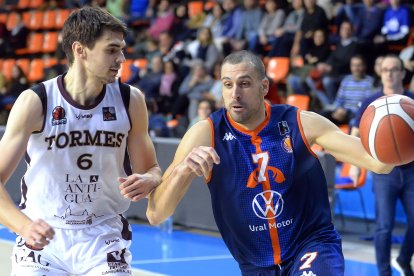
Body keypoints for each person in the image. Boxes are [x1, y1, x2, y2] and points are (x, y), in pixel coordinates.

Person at [146, 50, 393, 275]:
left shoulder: (300, 123)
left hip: (311, 246)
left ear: (264, 86)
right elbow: (156, 214)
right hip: (255, 264)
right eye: (227, 85)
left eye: (244, 83)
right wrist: (184, 170)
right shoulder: (205, 134)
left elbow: (379, 163)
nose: (235, 94)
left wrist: (400, 138)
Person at [0, 7, 161, 275]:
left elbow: (151, 169)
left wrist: (151, 179)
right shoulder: (36, 101)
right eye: (111, 50)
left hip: (103, 235)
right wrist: (23, 226)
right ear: (80, 50)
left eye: (121, 49)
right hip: (42, 233)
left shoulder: (130, 100)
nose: (121, 58)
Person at [350, 54, 414, 276]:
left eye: (394, 69)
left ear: (403, 73)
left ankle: (404, 259)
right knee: (384, 227)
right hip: (383, 171)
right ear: (380, 73)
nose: (389, 73)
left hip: (411, 171)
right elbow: (355, 133)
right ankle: (384, 273)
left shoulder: (412, 102)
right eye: (385, 69)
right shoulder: (371, 102)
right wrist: (355, 164)